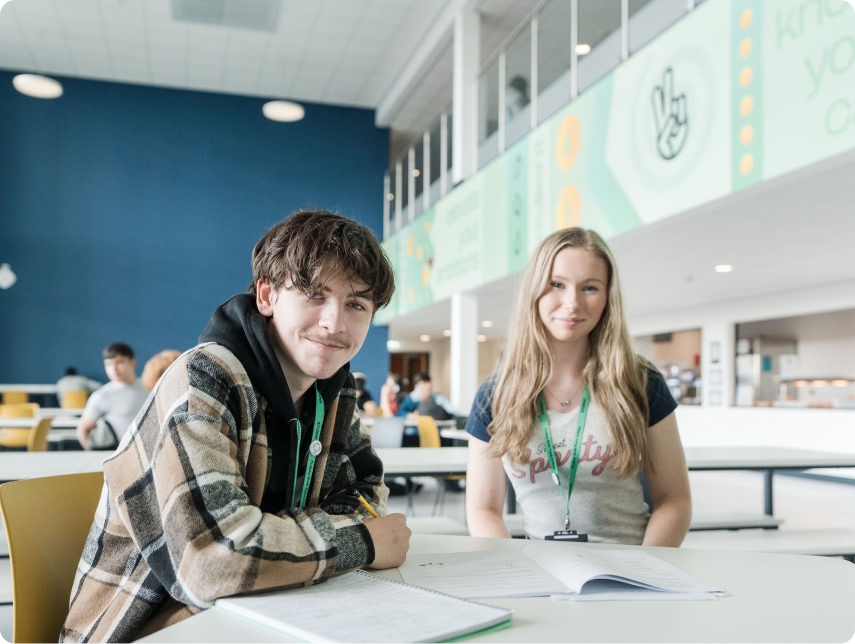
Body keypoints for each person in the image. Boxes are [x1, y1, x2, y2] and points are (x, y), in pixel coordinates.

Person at [61, 210, 411, 642]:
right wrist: (364, 543)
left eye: (356, 304)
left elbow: (366, 493)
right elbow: (213, 560)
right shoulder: (204, 379)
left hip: (271, 611)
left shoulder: (334, 392)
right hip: (150, 627)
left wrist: (272, 543)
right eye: (314, 295)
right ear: (267, 296)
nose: (335, 323)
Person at [465, 227, 691, 545]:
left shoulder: (641, 381)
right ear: (535, 290)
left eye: (590, 287)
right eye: (557, 284)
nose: (572, 303)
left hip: (632, 571)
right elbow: (483, 510)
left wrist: (646, 570)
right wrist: (514, 569)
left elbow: (674, 500)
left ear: (607, 297)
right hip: (540, 574)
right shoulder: (495, 395)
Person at [74, 343, 148, 449]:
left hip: (153, 452)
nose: (114, 368)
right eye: (108, 364)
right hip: (121, 454)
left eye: (119, 362)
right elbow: (83, 429)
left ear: (132, 363)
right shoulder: (102, 395)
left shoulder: (150, 387)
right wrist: (91, 454)